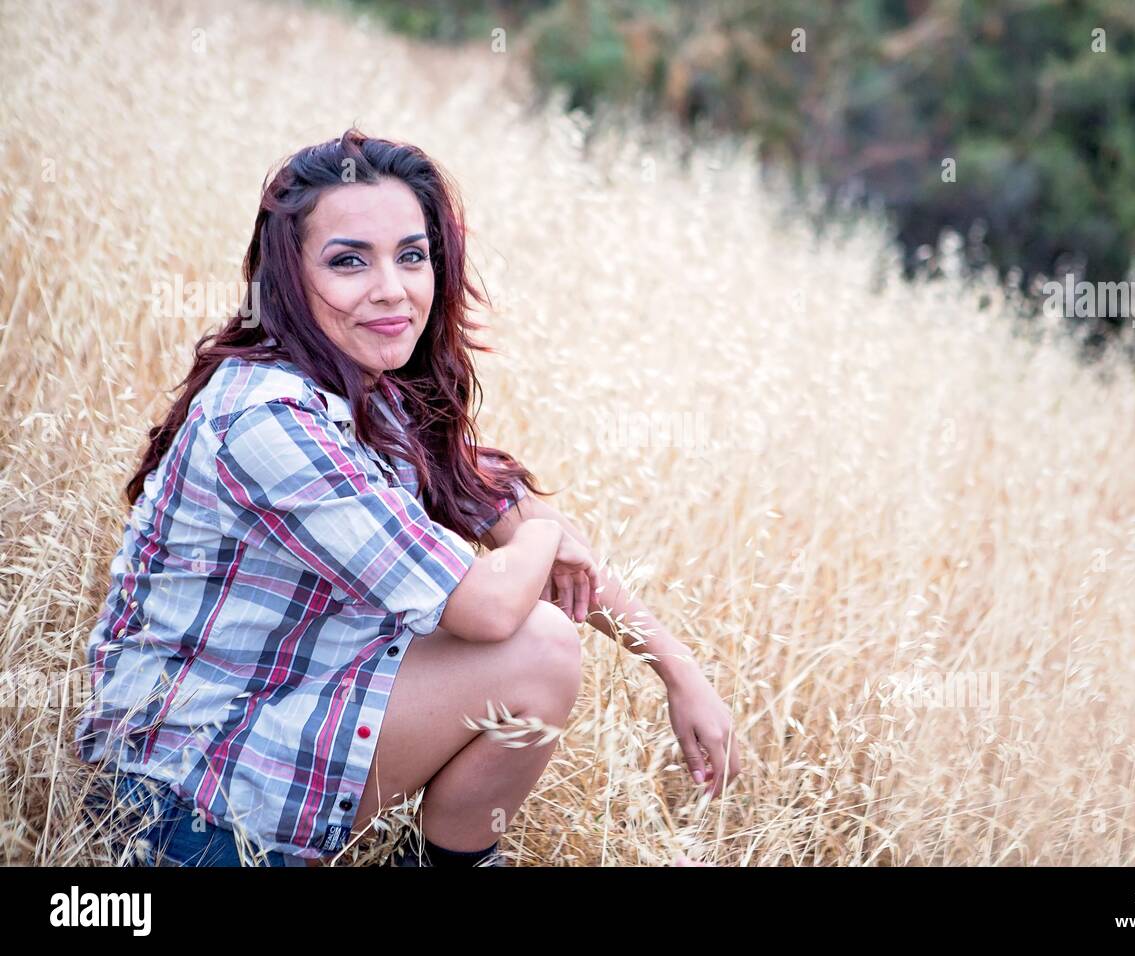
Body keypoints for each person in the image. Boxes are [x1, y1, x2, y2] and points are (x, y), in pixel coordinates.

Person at [74, 127, 741, 867]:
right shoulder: (269, 416)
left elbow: (502, 503)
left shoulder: (366, 388)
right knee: (538, 649)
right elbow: (491, 607)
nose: (392, 288)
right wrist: (546, 543)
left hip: (267, 724)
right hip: (181, 799)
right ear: (289, 279)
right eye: (349, 261)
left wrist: (678, 668)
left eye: (412, 255)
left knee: (536, 644)